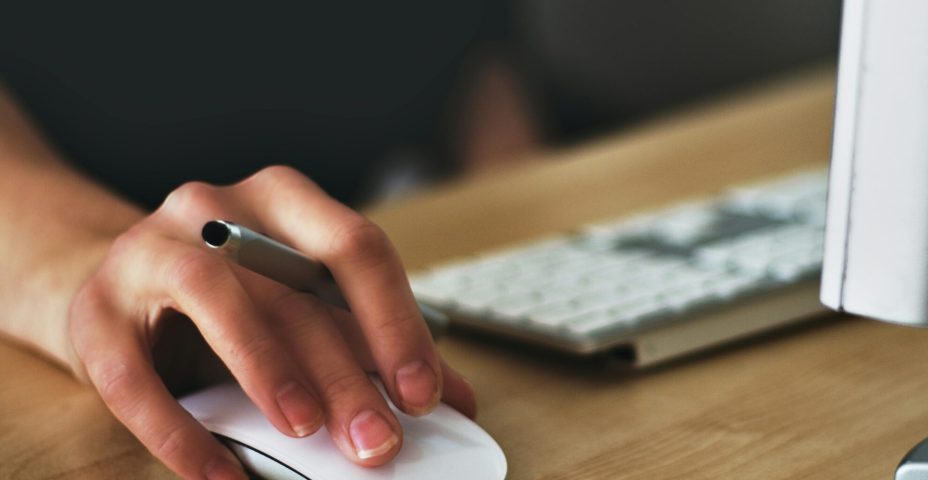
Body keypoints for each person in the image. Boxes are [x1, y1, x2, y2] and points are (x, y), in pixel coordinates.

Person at [0, 3, 539, 480]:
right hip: (114, 250)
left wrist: (529, 252)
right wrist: (92, 264)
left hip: (343, 283)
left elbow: (480, 60)